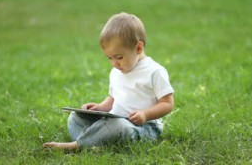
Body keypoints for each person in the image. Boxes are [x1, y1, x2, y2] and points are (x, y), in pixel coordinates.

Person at [43, 12, 174, 150]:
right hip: (114, 120)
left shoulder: (154, 71)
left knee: (118, 126)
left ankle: (79, 145)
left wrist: (145, 114)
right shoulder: (117, 71)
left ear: (138, 48)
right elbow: (113, 98)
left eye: (119, 57)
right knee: (75, 118)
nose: (114, 63)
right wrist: (100, 107)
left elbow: (167, 103)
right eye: (109, 58)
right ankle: (97, 142)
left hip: (143, 128)